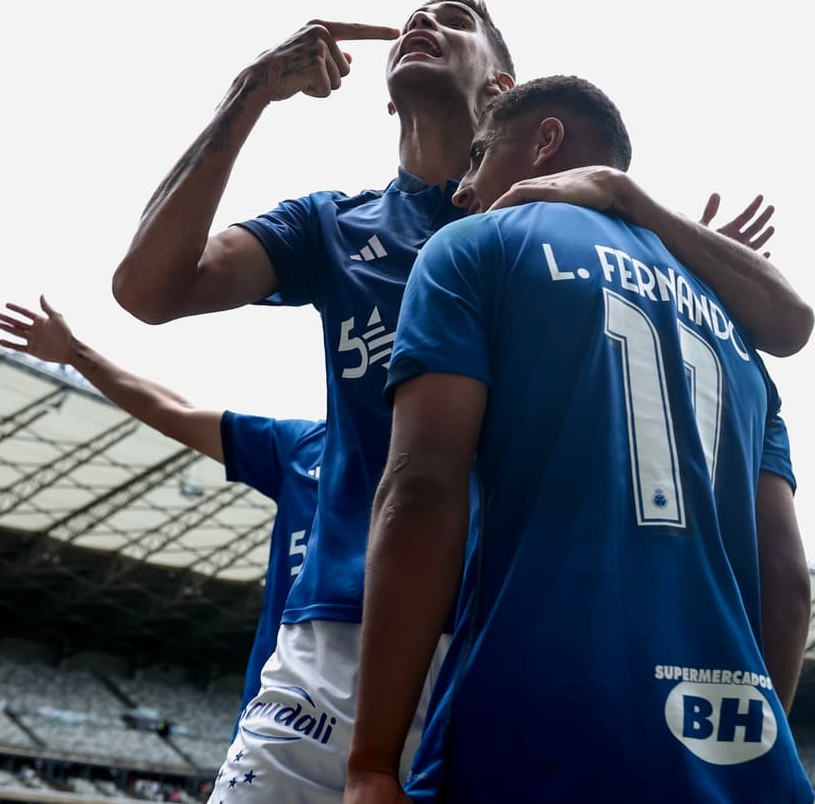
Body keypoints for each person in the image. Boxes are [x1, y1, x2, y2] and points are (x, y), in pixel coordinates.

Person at [111, 0, 812, 801]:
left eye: (453, 19)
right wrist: (252, 90)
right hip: (356, 632)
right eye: (413, 18)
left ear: (501, 89)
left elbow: (784, 324)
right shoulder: (332, 225)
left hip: (531, 640)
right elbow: (148, 288)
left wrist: (673, 251)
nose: (419, 25)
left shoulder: (562, 232)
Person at [344, 76, 812, 803]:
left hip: (536, 741)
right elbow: (788, 586)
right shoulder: (739, 341)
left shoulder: (472, 248)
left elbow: (422, 490)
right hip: (741, 767)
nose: (462, 189)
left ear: (547, 142)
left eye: (477, 158)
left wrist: (372, 761)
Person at [0, 296, 322, 735]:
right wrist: (76, 355)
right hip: (276, 723)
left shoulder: (438, 465)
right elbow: (175, 412)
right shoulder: (302, 446)